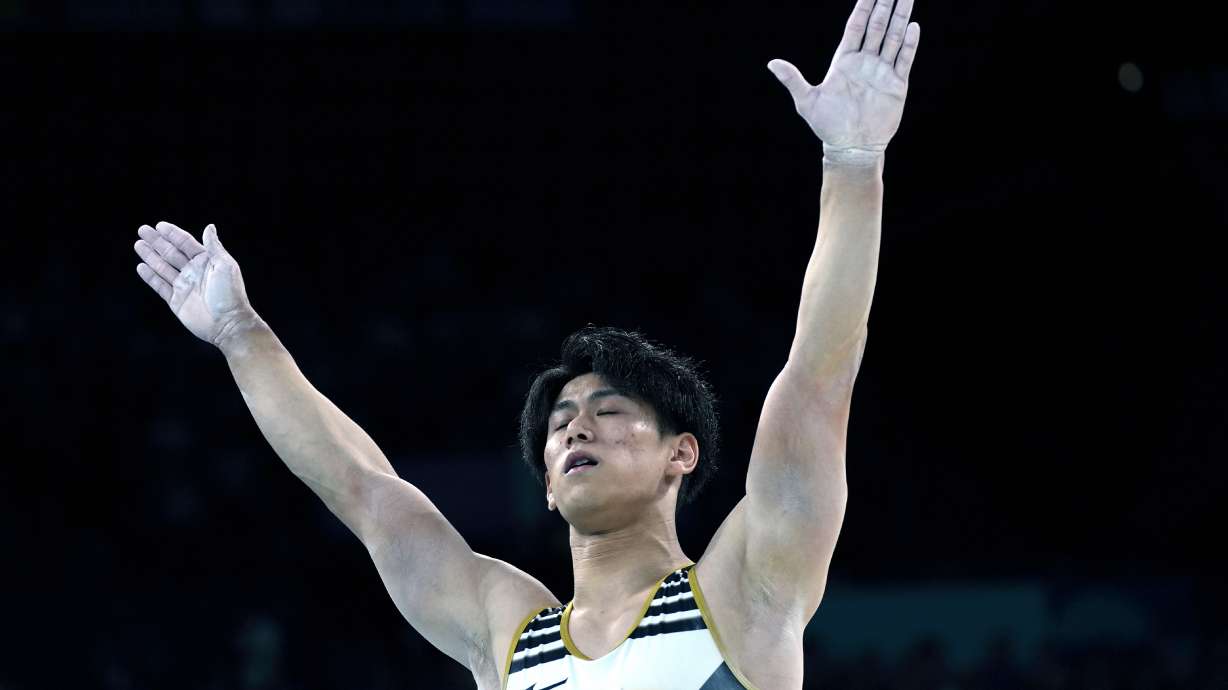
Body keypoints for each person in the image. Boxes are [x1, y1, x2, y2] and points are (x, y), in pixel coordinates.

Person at [131, 0, 920, 686]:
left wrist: (853, 163)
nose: (575, 427)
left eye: (610, 410)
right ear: (545, 484)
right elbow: (364, 490)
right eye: (560, 422)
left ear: (682, 453)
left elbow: (818, 378)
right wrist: (241, 334)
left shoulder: (748, 591)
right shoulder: (507, 637)